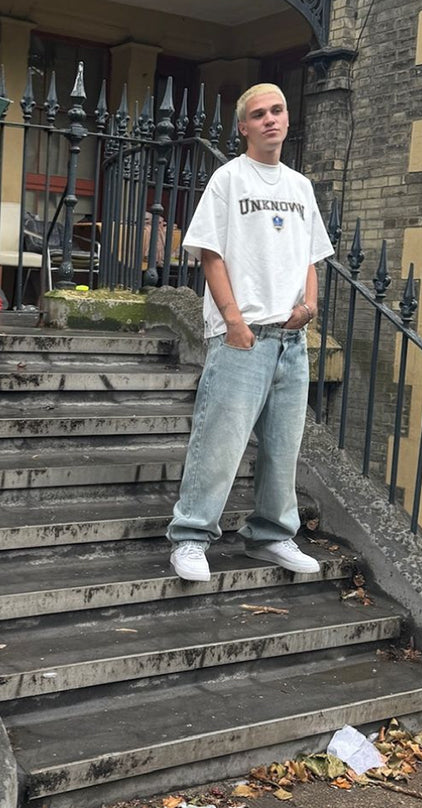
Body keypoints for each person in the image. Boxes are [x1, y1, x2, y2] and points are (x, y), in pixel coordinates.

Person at [167, 83, 335, 583]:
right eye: (258, 114)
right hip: (243, 335)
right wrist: (234, 322)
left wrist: (310, 305)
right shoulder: (228, 179)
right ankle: (192, 536)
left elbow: (309, 256)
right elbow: (210, 254)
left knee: (284, 446)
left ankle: (271, 534)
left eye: (278, 110)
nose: (270, 119)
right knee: (219, 442)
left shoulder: (300, 187)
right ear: (243, 127)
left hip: (290, 338)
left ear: (287, 118)